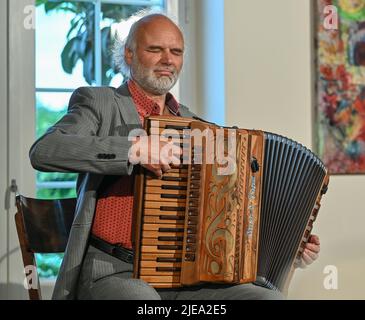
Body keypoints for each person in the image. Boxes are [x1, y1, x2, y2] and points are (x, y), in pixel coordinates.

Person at [29, 13, 320, 300]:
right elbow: (45, 150)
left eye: (176, 51)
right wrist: (133, 150)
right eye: (155, 49)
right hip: (115, 271)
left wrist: (288, 249)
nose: (168, 59)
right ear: (129, 55)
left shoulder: (200, 128)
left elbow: (232, 213)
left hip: (188, 277)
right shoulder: (100, 103)